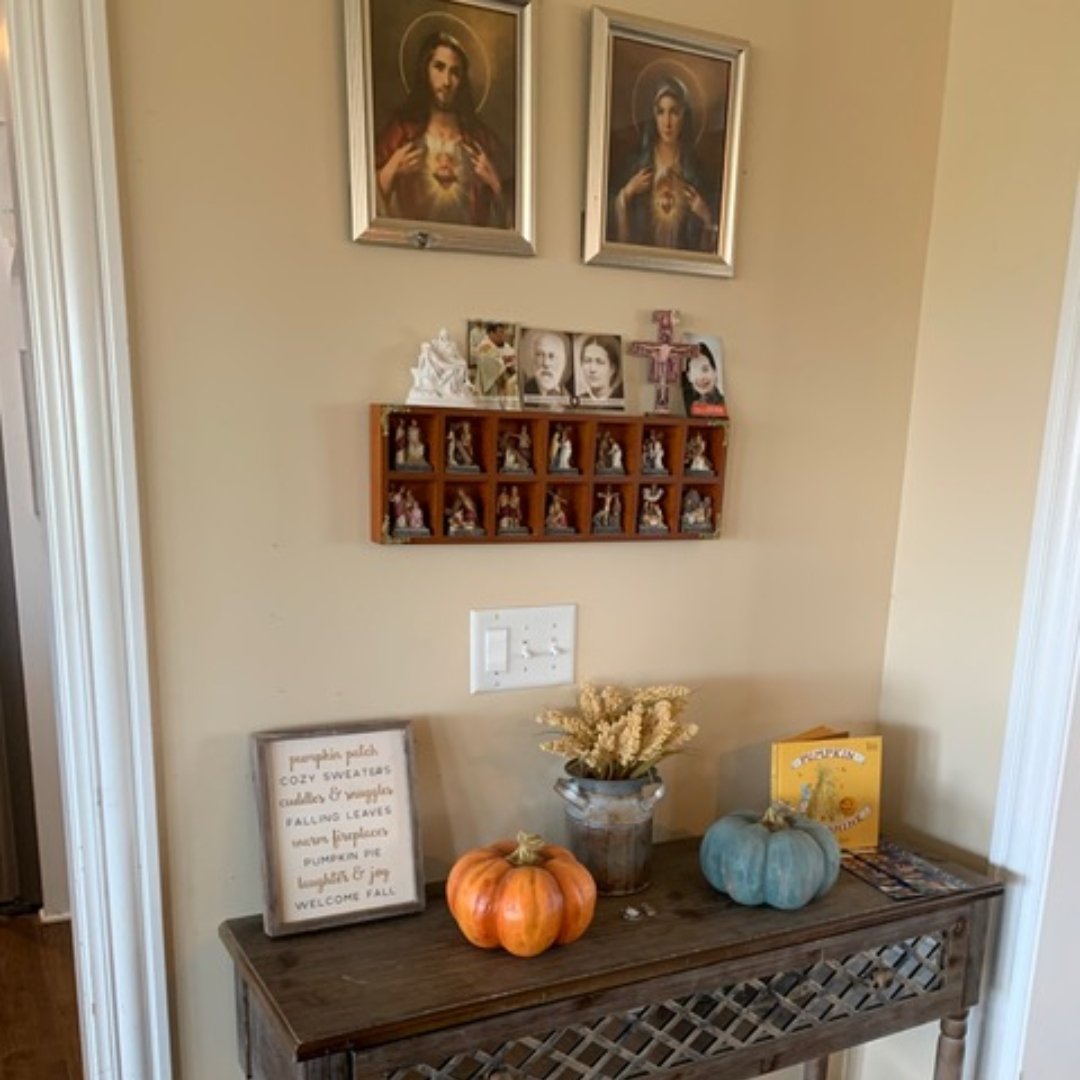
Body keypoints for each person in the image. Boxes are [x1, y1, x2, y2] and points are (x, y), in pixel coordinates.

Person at [375, 31, 509, 228]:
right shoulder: (401, 132)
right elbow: (365, 200)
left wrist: (496, 185)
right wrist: (390, 170)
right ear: (425, 70)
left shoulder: (480, 139)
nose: (446, 81)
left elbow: (516, 220)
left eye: (455, 72)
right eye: (439, 67)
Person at [608, 78, 718, 252]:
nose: (667, 123)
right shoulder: (637, 165)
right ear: (654, 116)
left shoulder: (696, 171)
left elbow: (711, 243)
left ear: (684, 115)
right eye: (661, 112)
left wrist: (705, 214)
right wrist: (626, 194)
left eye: (674, 112)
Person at [472, 323, 518, 399]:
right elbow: (489, 364)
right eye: (500, 332)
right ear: (491, 333)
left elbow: (512, 354)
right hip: (492, 385)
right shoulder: (485, 346)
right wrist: (504, 361)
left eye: (503, 332)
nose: (503, 335)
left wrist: (512, 359)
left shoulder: (503, 344)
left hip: (503, 384)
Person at [682, 340, 728, 417]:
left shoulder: (722, 405)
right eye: (695, 371)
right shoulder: (687, 403)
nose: (701, 378)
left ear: (715, 372)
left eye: (705, 369)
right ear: (688, 376)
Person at [574, 334, 624, 403]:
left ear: (612, 369)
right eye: (587, 361)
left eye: (600, 362)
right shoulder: (578, 400)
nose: (592, 369)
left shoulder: (618, 400)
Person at [522, 331, 571, 400]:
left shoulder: (570, 396)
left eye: (552, 356)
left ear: (563, 362)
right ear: (533, 360)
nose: (546, 363)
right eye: (540, 355)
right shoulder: (522, 392)